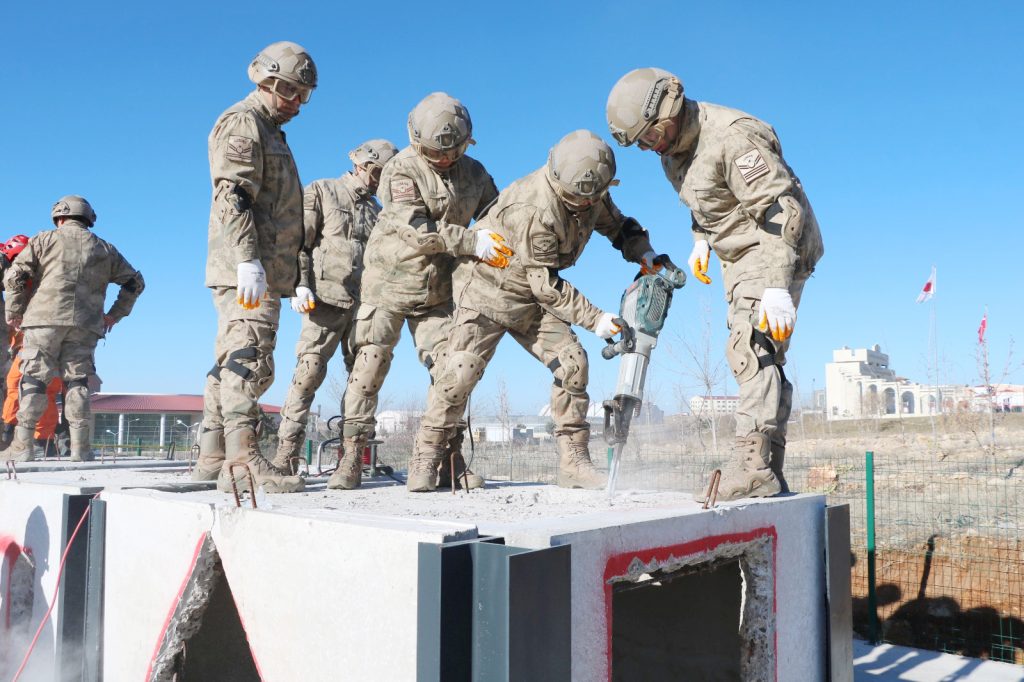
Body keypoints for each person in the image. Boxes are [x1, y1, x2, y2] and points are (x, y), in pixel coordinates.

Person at [606, 67, 824, 500]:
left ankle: (752, 466)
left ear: (668, 109)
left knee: (751, 347)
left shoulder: (733, 137)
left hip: (776, 247)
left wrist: (778, 285)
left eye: (651, 136)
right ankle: (767, 468)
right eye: (642, 144)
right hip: (737, 257)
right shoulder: (672, 153)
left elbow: (782, 212)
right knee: (763, 355)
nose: (651, 149)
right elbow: (704, 200)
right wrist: (701, 240)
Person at [410, 130, 670, 491]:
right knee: (459, 374)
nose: (583, 205)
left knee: (573, 363)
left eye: (590, 198)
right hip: (489, 292)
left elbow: (618, 227)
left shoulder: (590, 192)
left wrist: (646, 254)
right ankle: (428, 456)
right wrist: (596, 318)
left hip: (532, 298)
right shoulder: (535, 208)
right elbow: (546, 286)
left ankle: (574, 462)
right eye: (576, 199)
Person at [339, 92, 510, 491]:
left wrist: (497, 233)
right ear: (417, 142)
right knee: (368, 369)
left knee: (455, 371)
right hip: (388, 286)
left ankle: (447, 459)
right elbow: (417, 229)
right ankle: (351, 458)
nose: (446, 160)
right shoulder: (400, 170)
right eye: (436, 152)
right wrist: (473, 242)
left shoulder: (476, 173)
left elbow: (497, 213)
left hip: (437, 292)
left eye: (454, 151)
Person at [193, 41, 318, 494]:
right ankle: (243, 461)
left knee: (233, 358)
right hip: (247, 268)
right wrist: (248, 260)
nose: (299, 105)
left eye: (305, 96)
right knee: (250, 357)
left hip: (261, 269)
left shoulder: (270, 130)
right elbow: (234, 196)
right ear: (270, 82)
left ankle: (212, 457)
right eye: (293, 94)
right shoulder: (244, 123)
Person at [273, 138, 398, 483]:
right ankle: (286, 454)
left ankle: (352, 458)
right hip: (324, 300)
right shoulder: (323, 191)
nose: (377, 180)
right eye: (375, 172)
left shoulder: (378, 212)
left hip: (366, 307)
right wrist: (299, 283)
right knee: (308, 373)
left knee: (365, 380)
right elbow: (302, 240)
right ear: (360, 164)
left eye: (384, 175)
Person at [2, 196, 144, 462]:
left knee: (33, 379)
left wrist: (14, 312)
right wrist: (114, 315)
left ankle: (23, 447)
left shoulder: (44, 240)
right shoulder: (106, 249)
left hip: (43, 321)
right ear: (89, 219)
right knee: (77, 382)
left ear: (59, 217)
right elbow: (135, 283)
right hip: (86, 324)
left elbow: (16, 275)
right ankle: (80, 449)